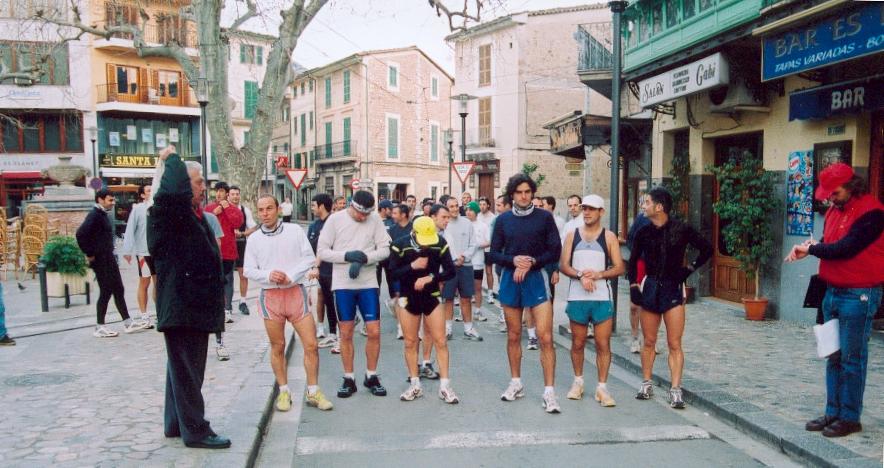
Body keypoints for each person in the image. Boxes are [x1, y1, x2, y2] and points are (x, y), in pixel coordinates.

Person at [785, 163, 883, 438]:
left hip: (859, 292)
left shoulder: (872, 213)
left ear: (851, 186)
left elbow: (846, 248)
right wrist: (811, 249)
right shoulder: (833, 211)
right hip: (832, 290)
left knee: (853, 357)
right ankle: (833, 411)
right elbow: (831, 242)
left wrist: (813, 249)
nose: (830, 197)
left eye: (835, 192)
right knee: (832, 354)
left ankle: (850, 417)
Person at [148, 146, 230, 449]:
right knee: (188, 370)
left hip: (189, 305)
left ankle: (175, 423)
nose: (203, 189)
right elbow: (170, 191)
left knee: (179, 368)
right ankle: (196, 430)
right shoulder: (169, 210)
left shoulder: (188, 216)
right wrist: (171, 160)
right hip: (183, 306)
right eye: (197, 182)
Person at [245, 195, 334, 412]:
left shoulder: (294, 231)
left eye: (269, 208)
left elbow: (309, 258)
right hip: (271, 297)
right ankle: (284, 391)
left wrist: (290, 276)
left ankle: (313, 391)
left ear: (278, 210)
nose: (265, 213)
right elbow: (248, 269)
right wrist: (269, 275)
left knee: (311, 344)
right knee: (278, 346)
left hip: (295, 293)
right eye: (261, 210)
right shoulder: (254, 239)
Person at [629, 186, 712, 409]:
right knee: (649, 341)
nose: (643, 206)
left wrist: (688, 270)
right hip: (651, 287)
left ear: (659, 207)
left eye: (646, 202)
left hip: (673, 288)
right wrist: (634, 285)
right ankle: (646, 383)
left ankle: (676, 389)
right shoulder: (643, 231)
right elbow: (633, 259)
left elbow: (707, 249)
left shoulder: (682, 228)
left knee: (674, 343)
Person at [488, 174, 562, 413]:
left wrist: (531, 262)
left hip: (536, 277)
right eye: (519, 192)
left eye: (527, 192)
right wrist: (514, 260)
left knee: (545, 337)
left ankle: (549, 392)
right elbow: (493, 254)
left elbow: (555, 251)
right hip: (511, 278)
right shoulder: (503, 220)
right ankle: (516, 383)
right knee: (513, 334)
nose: (523, 196)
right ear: (512, 194)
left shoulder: (545, 218)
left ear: (532, 193)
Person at [317, 190, 392, 398]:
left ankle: (371, 375)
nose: (363, 218)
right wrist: (347, 256)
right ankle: (349, 377)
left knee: (374, 331)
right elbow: (322, 250)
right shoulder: (335, 220)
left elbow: (385, 248)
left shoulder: (375, 219)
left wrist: (364, 258)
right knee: (346, 332)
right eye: (360, 214)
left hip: (368, 281)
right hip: (343, 283)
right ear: (352, 205)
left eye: (367, 214)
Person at [559, 195, 625, 406]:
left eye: (591, 209)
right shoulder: (572, 235)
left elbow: (620, 267)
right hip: (577, 297)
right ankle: (578, 382)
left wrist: (598, 275)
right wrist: (581, 275)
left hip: (601, 298)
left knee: (602, 343)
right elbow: (564, 265)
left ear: (601, 212)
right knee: (577, 343)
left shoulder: (609, 237)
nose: (586, 212)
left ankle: (602, 388)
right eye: (584, 208)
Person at [390, 216, 460, 403]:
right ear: (414, 233)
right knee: (410, 342)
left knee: (441, 340)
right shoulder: (399, 245)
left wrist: (430, 277)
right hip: (408, 297)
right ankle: (415, 385)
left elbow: (450, 270)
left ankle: (445, 386)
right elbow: (392, 273)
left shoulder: (440, 242)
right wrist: (412, 266)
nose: (427, 245)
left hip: (432, 296)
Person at [77, 189, 148, 338]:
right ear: (100, 200)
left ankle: (127, 322)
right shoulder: (94, 215)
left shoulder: (102, 214)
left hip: (108, 257)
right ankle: (99, 326)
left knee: (118, 288)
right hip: (101, 259)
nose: (113, 203)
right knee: (106, 291)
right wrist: (89, 253)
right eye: (110, 200)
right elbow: (81, 234)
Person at [441, 197, 482, 341]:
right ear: (446, 208)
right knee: (448, 298)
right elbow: (443, 246)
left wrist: (464, 256)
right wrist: (453, 259)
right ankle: (447, 328)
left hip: (466, 266)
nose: (454, 209)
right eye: (451, 206)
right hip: (449, 267)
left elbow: (474, 244)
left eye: (456, 206)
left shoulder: (467, 223)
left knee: (466, 298)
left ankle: (468, 328)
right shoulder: (444, 224)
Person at [204, 182, 244, 324]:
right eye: (217, 191)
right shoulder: (208, 208)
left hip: (228, 251)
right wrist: (213, 214)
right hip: (212, 250)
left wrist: (226, 209)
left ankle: (227, 310)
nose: (219, 194)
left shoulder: (233, 209)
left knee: (227, 280)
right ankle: (216, 309)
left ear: (227, 193)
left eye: (222, 191)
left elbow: (237, 223)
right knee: (213, 281)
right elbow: (203, 224)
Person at [121, 184, 156, 328]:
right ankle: (144, 314)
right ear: (142, 195)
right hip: (143, 252)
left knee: (159, 283)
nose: (151, 192)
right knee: (144, 282)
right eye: (148, 191)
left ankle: (160, 312)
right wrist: (127, 250)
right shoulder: (138, 210)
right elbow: (130, 229)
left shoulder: (158, 208)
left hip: (157, 252)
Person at [307, 194, 339, 352]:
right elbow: (309, 248)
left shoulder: (334, 223)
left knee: (336, 302)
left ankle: (340, 333)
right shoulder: (313, 226)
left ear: (321, 206)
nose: (312, 208)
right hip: (320, 271)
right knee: (327, 301)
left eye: (314, 205)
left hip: (334, 269)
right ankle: (332, 332)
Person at [626, 209, 653, 354]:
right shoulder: (641, 218)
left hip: (657, 266)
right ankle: (635, 337)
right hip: (640, 263)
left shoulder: (667, 219)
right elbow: (630, 239)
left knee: (653, 304)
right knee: (634, 305)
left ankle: (650, 339)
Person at [229, 186, 258, 316]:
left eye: (237, 194)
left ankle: (243, 301)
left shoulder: (244, 210)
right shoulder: (224, 210)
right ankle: (226, 305)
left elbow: (253, 227)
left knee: (243, 274)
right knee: (226, 276)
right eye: (233, 194)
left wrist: (242, 234)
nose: (235, 196)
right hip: (227, 246)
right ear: (228, 196)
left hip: (241, 245)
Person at [388, 203, 414, 339]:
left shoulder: (413, 229)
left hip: (413, 268)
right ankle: (401, 327)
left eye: (395, 213)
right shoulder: (391, 230)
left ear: (403, 215)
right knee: (400, 297)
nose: (392, 216)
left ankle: (415, 326)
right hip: (397, 270)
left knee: (412, 297)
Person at [465, 201, 490, 321]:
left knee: (477, 287)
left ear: (476, 212)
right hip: (465, 261)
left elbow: (489, 241)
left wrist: (476, 245)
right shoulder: (463, 224)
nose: (468, 212)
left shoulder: (483, 226)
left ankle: (478, 311)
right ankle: (465, 313)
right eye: (467, 210)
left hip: (478, 261)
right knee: (464, 288)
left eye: (471, 210)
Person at [477, 197, 497, 305]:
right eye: (480, 204)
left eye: (484, 204)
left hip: (489, 248)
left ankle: (490, 293)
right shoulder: (478, 216)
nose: (482, 206)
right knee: (477, 271)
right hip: (478, 248)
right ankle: (476, 293)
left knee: (489, 271)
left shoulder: (493, 217)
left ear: (488, 205)